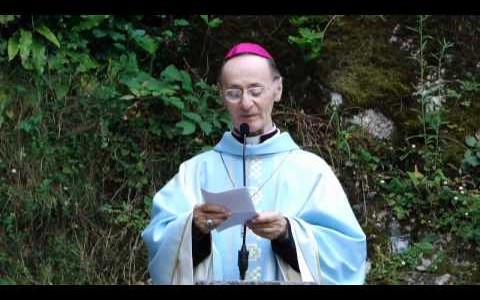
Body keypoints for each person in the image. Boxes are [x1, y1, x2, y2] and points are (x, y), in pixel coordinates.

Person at [142, 42, 367, 284]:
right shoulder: (194, 172)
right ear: (221, 95)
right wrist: (192, 228)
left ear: (277, 89)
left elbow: (347, 254)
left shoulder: (312, 172)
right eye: (234, 93)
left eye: (256, 91)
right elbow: (159, 245)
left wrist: (287, 234)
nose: (246, 103)